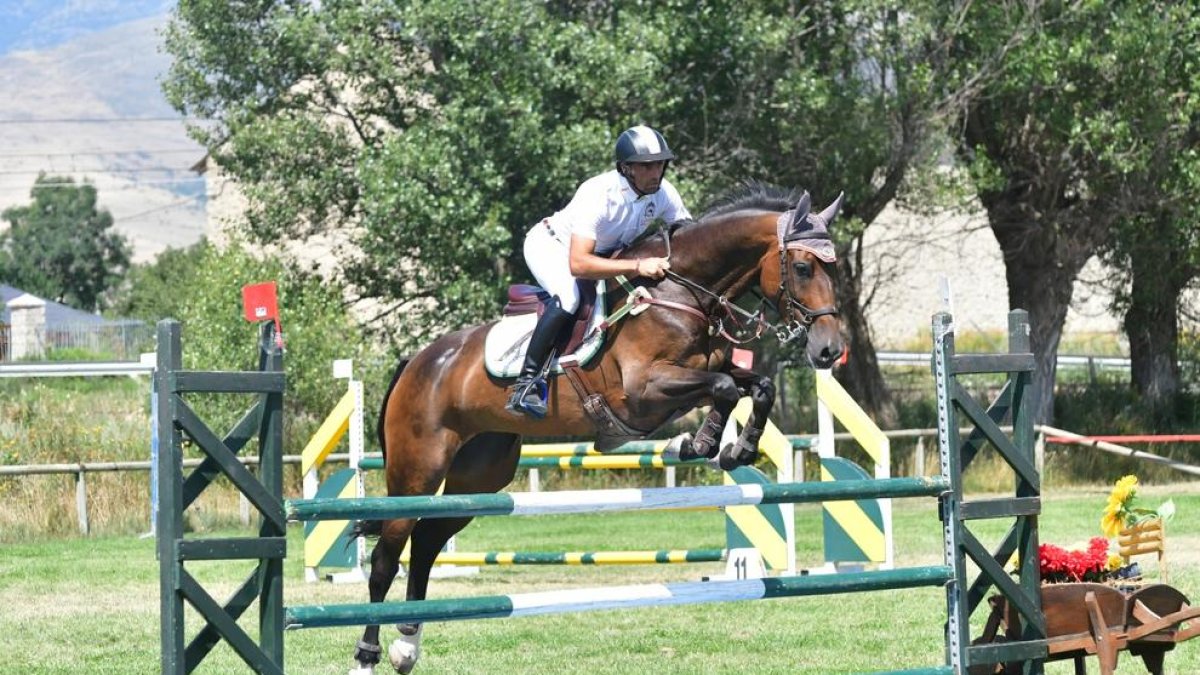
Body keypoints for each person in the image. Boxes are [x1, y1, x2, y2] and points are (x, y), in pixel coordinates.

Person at [507, 124, 692, 418]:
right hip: (552, 246)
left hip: (604, 255)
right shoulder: (598, 193)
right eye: (646, 166)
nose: (655, 172)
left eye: (660, 164)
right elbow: (579, 264)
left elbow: (687, 237)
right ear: (626, 169)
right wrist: (638, 265)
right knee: (569, 298)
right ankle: (527, 383)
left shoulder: (663, 193)